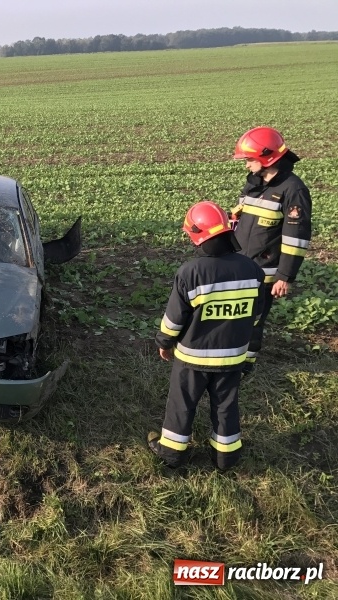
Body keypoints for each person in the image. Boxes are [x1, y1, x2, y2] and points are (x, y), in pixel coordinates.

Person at [148, 201, 265, 471]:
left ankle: (172, 454)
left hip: (192, 359)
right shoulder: (253, 271)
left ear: (198, 235)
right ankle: (226, 458)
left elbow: (174, 320)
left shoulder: (191, 272)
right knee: (226, 406)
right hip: (233, 357)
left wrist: (164, 343)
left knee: (182, 405)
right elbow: (256, 320)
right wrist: (249, 357)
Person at [230, 127, 312, 374]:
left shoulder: (293, 190)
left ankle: (245, 366)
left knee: (252, 320)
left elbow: (296, 237)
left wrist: (285, 276)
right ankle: (230, 357)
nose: (246, 166)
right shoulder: (254, 184)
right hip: (241, 265)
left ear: (267, 158)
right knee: (234, 316)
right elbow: (241, 220)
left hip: (265, 273)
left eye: (249, 160)